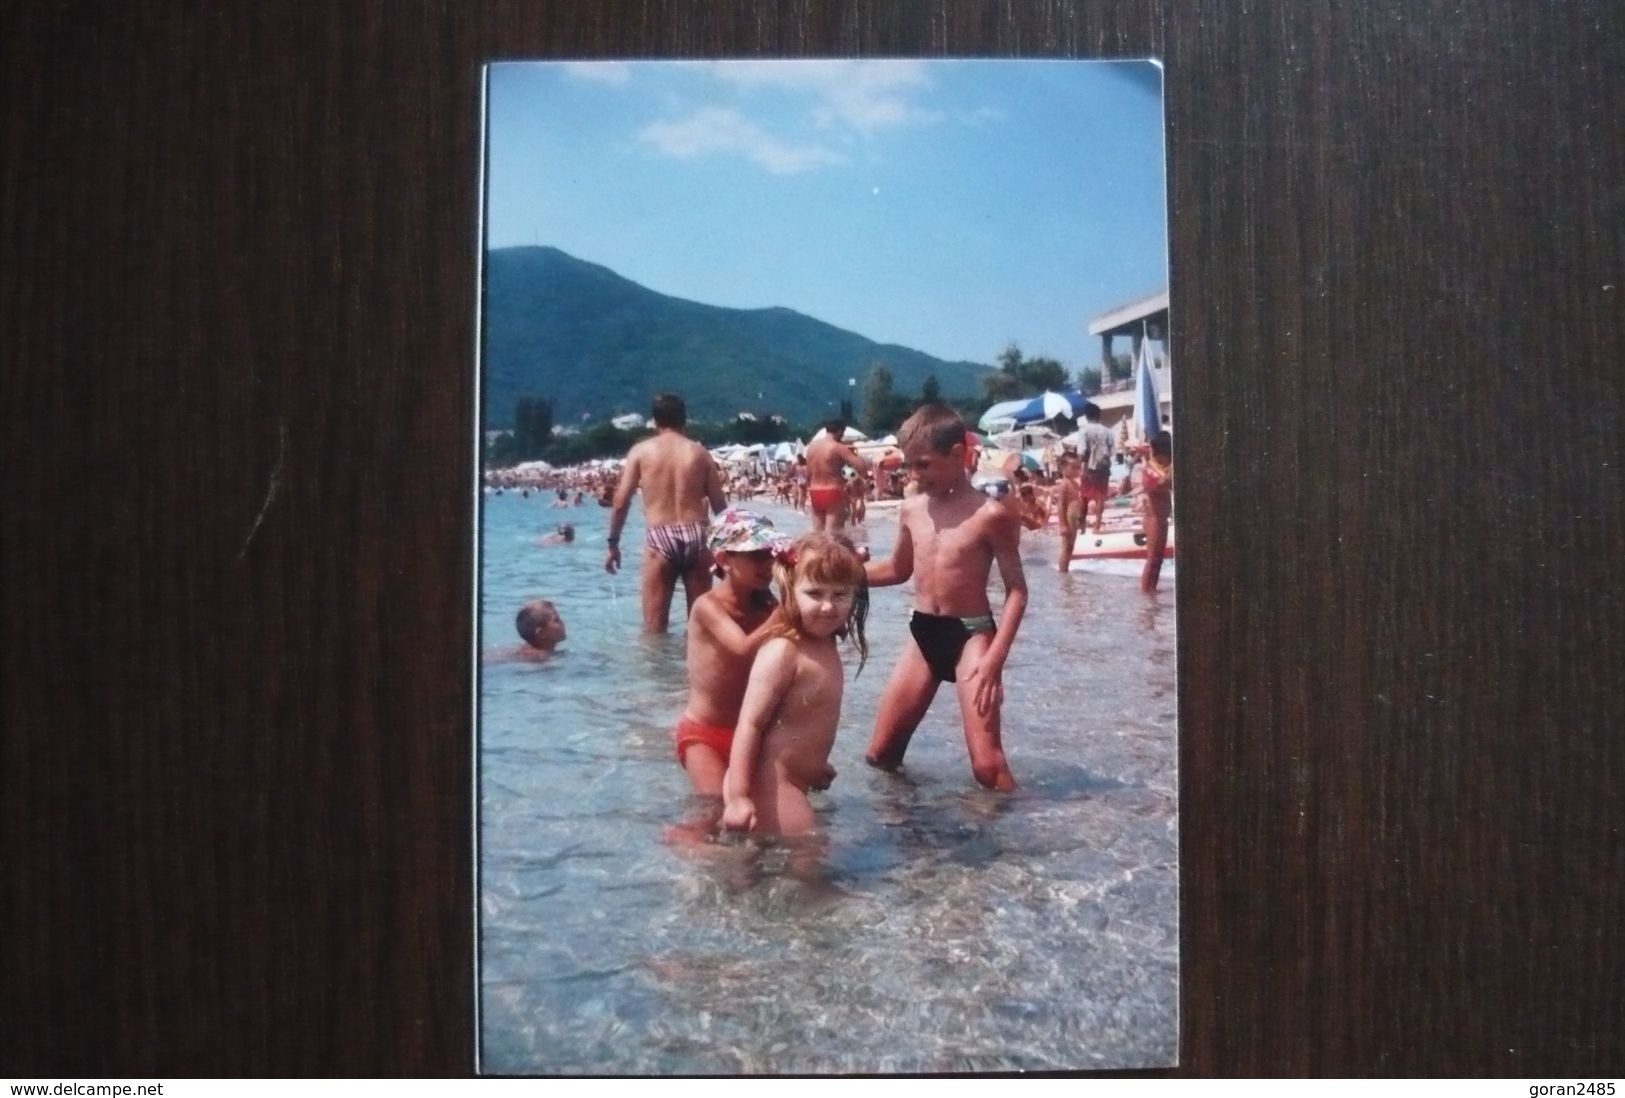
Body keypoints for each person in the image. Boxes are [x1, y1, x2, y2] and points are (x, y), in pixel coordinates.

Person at [863, 404, 1027, 791]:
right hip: (923, 635)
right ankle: (913, 827)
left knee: (987, 766)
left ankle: (1026, 839)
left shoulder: (990, 515)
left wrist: (994, 660)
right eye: (909, 466)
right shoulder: (911, 509)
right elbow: (897, 570)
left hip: (971, 636)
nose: (914, 475)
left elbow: (1017, 591)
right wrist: (841, 574)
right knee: (881, 755)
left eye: (924, 465)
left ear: (958, 454)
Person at [722, 531, 868, 836]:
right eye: (815, 594)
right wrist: (736, 797)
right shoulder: (783, 651)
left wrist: (814, 766)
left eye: (839, 595)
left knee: (782, 870)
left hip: (796, 782)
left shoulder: (824, 644)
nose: (828, 607)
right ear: (790, 591)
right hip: (773, 786)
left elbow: (803, 722)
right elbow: (750, 724)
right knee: (807, 867)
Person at [674, 509, 791, 797]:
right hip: (704, 734)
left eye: (771, 554)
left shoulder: (767, 604)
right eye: (756, 556)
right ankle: (683, 840)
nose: (768, 564)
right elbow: (741, 649)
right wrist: (787, 612)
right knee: (715, 806)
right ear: (725, 559)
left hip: (753, 733)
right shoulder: (708, 606)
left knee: (765, 808)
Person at [604, 393, 728, 633]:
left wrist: (613, 544)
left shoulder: (641, 451)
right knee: (700, 627)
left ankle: (657, 671)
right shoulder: (699, 453)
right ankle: (692, 670)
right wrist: (727, 550)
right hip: (698, 534)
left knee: (654, 630)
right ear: (685, 419)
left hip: (660, 535)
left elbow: (620, 502)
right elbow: (720, 507)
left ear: (655, 421)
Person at [804, 419, 868, 533]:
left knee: (818, 536)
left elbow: (808, 473)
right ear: (839, 431)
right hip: (833, 491)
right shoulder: (837, 447)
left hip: (814, 491)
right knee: (833, 535)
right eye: (842, 433)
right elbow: (861, 466)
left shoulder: (811, 447)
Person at [1133, 430, 1173, 592]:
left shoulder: (1160, 466)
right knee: (1152, 559)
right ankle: (1146, 593)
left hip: (1160, 517)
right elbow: (1161, 484)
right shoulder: (1150, 469)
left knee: (1158, 559)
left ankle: (1152, 593)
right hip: (1153, 518)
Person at [485, 599, 566, 663]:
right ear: (541, 633)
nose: (563, 622)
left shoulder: (525, 650)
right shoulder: (540, 658)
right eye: (556, 620)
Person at [1076, 402, 1116, 533]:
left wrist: (1078, 467)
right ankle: (1097, 525)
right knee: (1100, 497)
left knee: (1084, 497)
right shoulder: (1108, 431)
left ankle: (1081, 526)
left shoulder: (1084, 431)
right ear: (1099, 415)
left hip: (1088, 467)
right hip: (1103, 467)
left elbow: (1081, 452)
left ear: (1087, 416)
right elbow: (1111, 451)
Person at [1052, 451, 1085, 572]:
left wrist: (1082, 521)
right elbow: (1061, 505)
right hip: (1068, 519)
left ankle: (1066, 569)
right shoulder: (1064, 484)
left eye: (1078, 467)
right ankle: (1063, 572)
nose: (1077, 470)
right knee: (1066, 547)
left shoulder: (1075, 484)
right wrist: (1062, 524)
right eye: (1073, 468)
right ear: (1063, 468)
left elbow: (1079, 502)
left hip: (1074, 518)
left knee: (1071, 547)